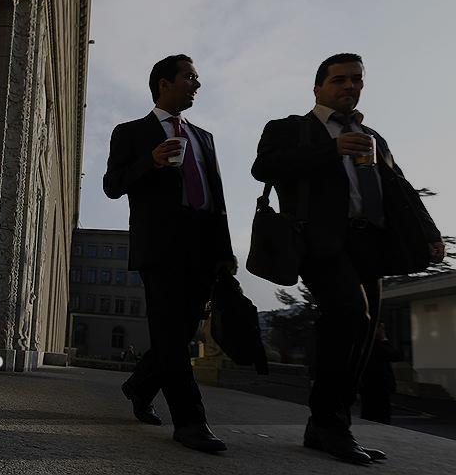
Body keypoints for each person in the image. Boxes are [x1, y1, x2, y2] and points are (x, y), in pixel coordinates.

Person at [251, 53, 444, 464]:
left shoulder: (373, 136)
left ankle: (328, 424)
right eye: (340, 80)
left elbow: (400, 187)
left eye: (356, 80)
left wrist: (429, 233)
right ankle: (329, 423)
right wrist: (331, 149)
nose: (350, 86)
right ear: (318, 87)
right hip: (319, 242)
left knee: (365, 332)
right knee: (351, 314)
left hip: (371, 242)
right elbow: (263, 167)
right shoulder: (290, 128)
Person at [103, 54, 235, 453]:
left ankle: (139, 386)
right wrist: (151, 161)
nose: (197, 84)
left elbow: (216, 197)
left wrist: (225, 252)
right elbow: (112, 185)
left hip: (203, 247)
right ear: (164, 83)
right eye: (190, 77)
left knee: (179, 333)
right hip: (160, 246)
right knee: (168, 333)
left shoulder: (204, 138)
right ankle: (191, 422)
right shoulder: (130, 132)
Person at [359, 322, 400, 424]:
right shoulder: (378, 345)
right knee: (381, 416)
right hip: (380, 385)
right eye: (382, 328)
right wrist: (384, 339)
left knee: (368, 414)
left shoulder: (364, 344)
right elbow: (395, 355)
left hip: (367, 385)